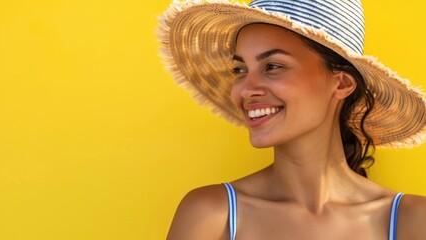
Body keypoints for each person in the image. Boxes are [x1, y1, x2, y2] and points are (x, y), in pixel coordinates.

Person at [158, 0, 426, 239]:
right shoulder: (213, 215)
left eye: (273, 66)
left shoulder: (412, 221)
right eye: (240, 70)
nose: (246, 89)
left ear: (342, 83)